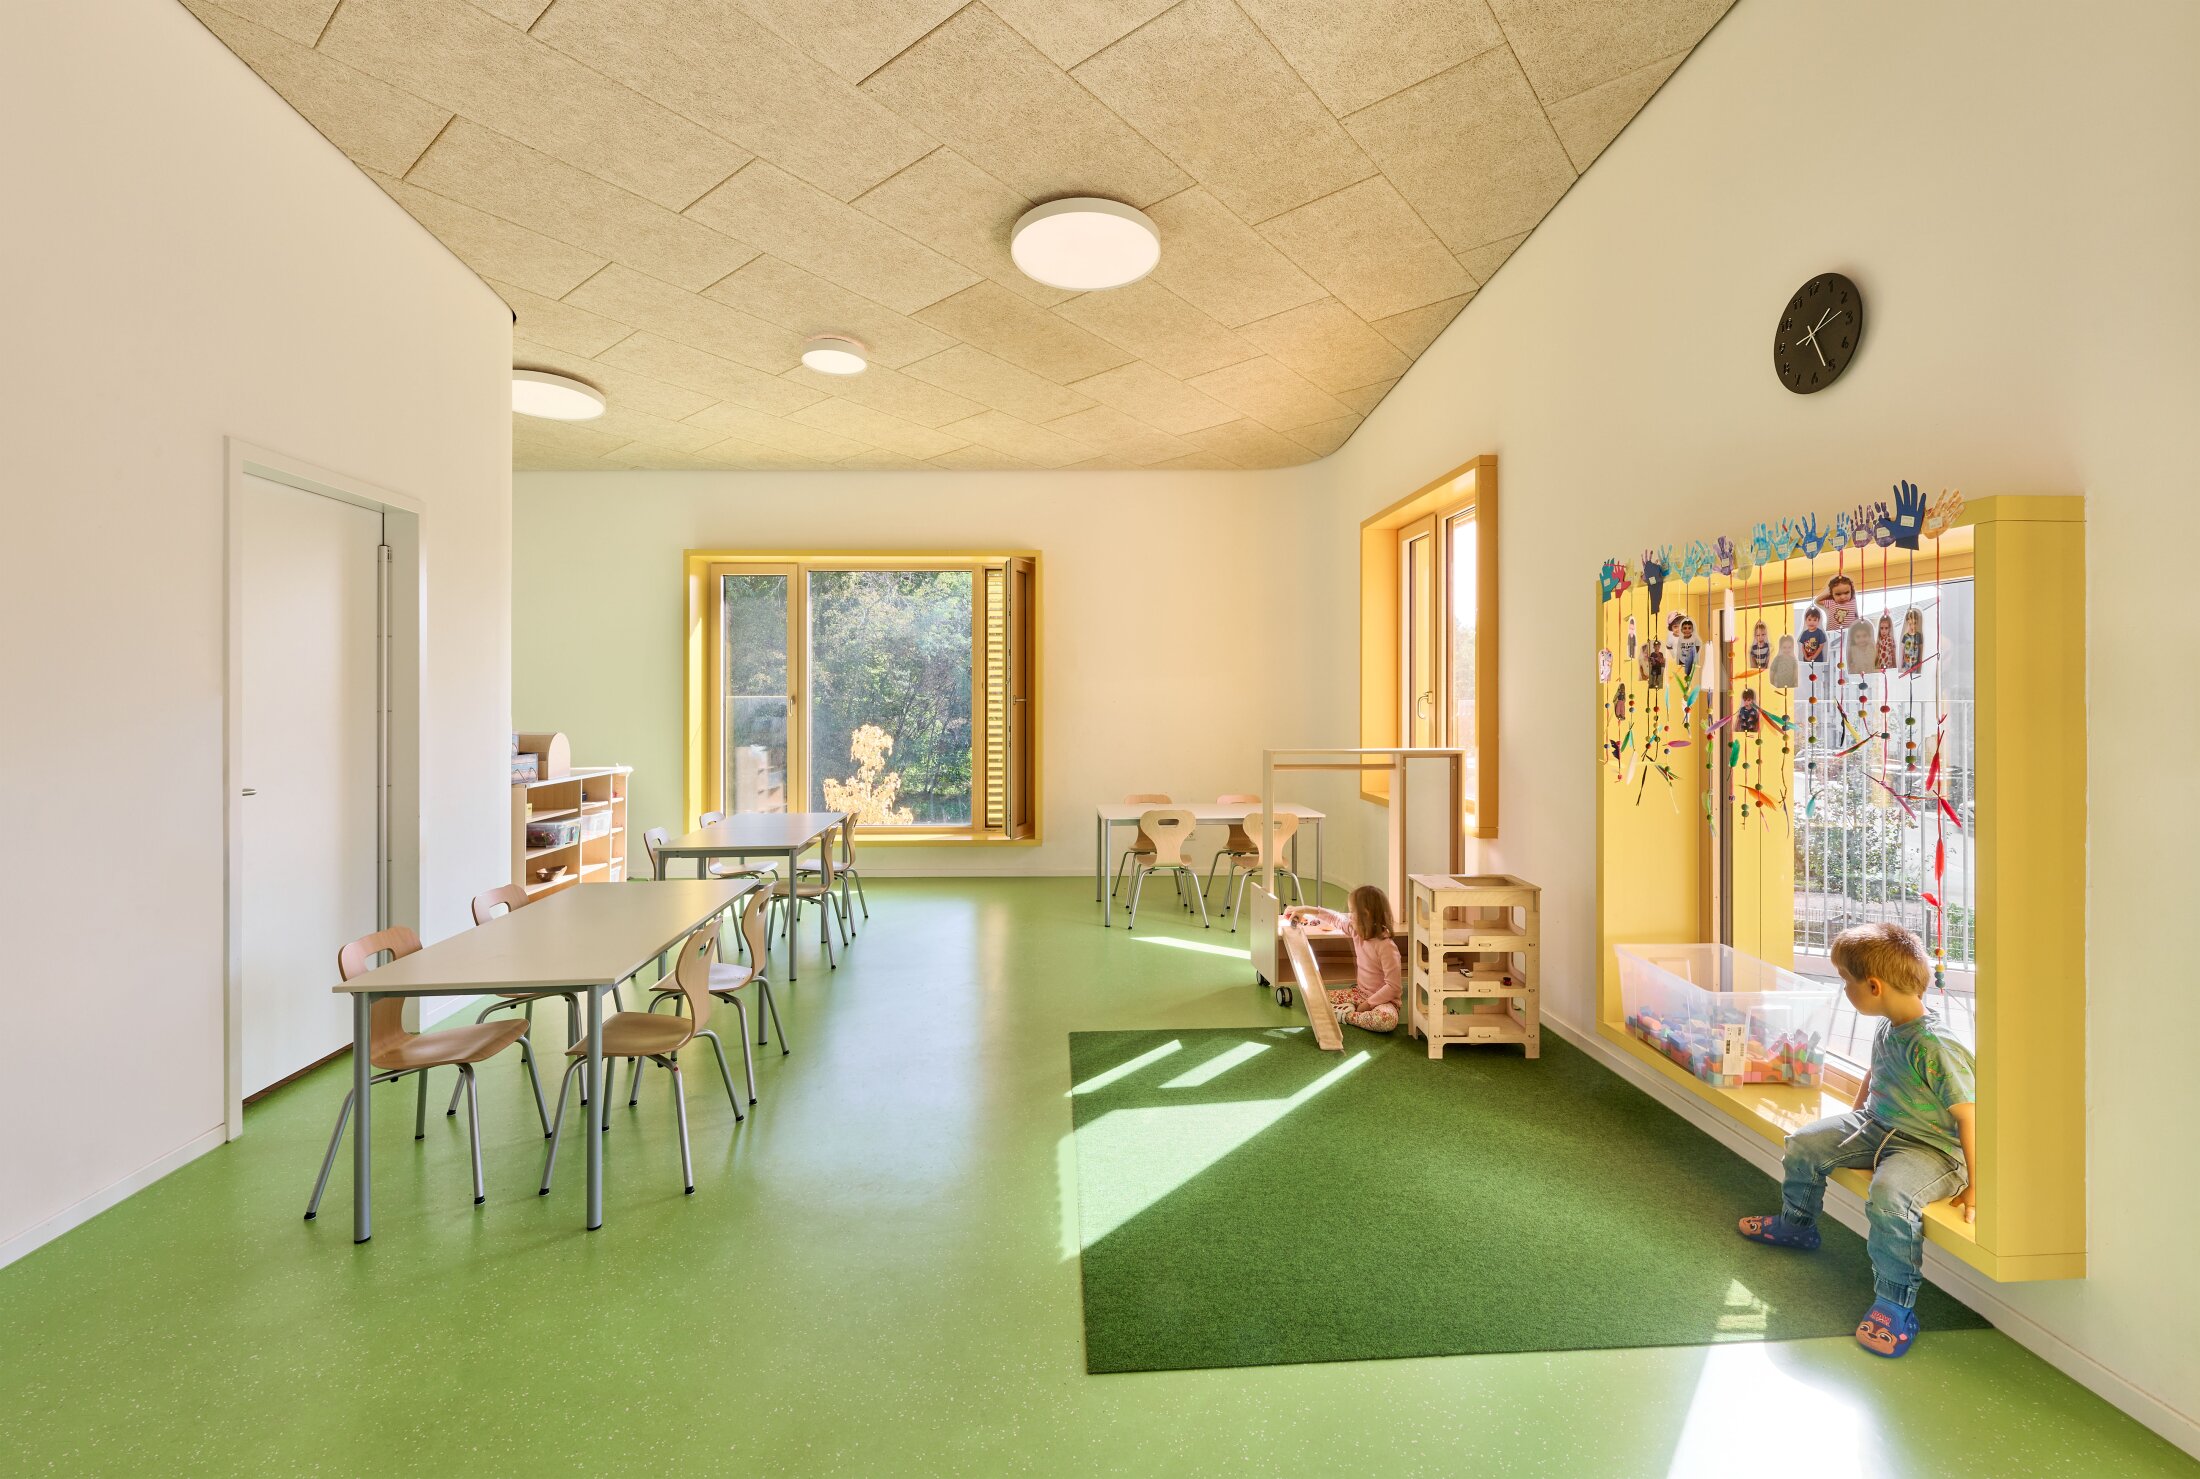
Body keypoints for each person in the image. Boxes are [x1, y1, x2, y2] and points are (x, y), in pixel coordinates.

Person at [1735, 924, 1977, 1358]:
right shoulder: (1890, 1025)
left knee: (1889, 1197)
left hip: (1931, 1150)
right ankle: (1797, 1225)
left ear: (1873, 985)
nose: (1844, 988)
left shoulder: (1935, 1045)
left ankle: (1895, 1304)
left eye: (1846, 980)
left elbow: (1968, 1114)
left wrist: (1977, 1183)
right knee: (1805, 1143)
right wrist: (1856, 1115)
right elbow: (1876, 1073)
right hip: (1877, 1126)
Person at [1287, 886, 1401, 1033]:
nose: (1349, 915)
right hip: (1359, 993)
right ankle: (1351, 1011)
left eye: (1352, 911)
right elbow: (1335, 918)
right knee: (1316, 998)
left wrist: (1367, 1005)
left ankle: (1347, 1016)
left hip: (1384, 1002)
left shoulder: (1386, 947)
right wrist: (1305, 909)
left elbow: (1393, 987)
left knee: (1386, 1021)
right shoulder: (1356, 931)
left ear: (1365, 915)